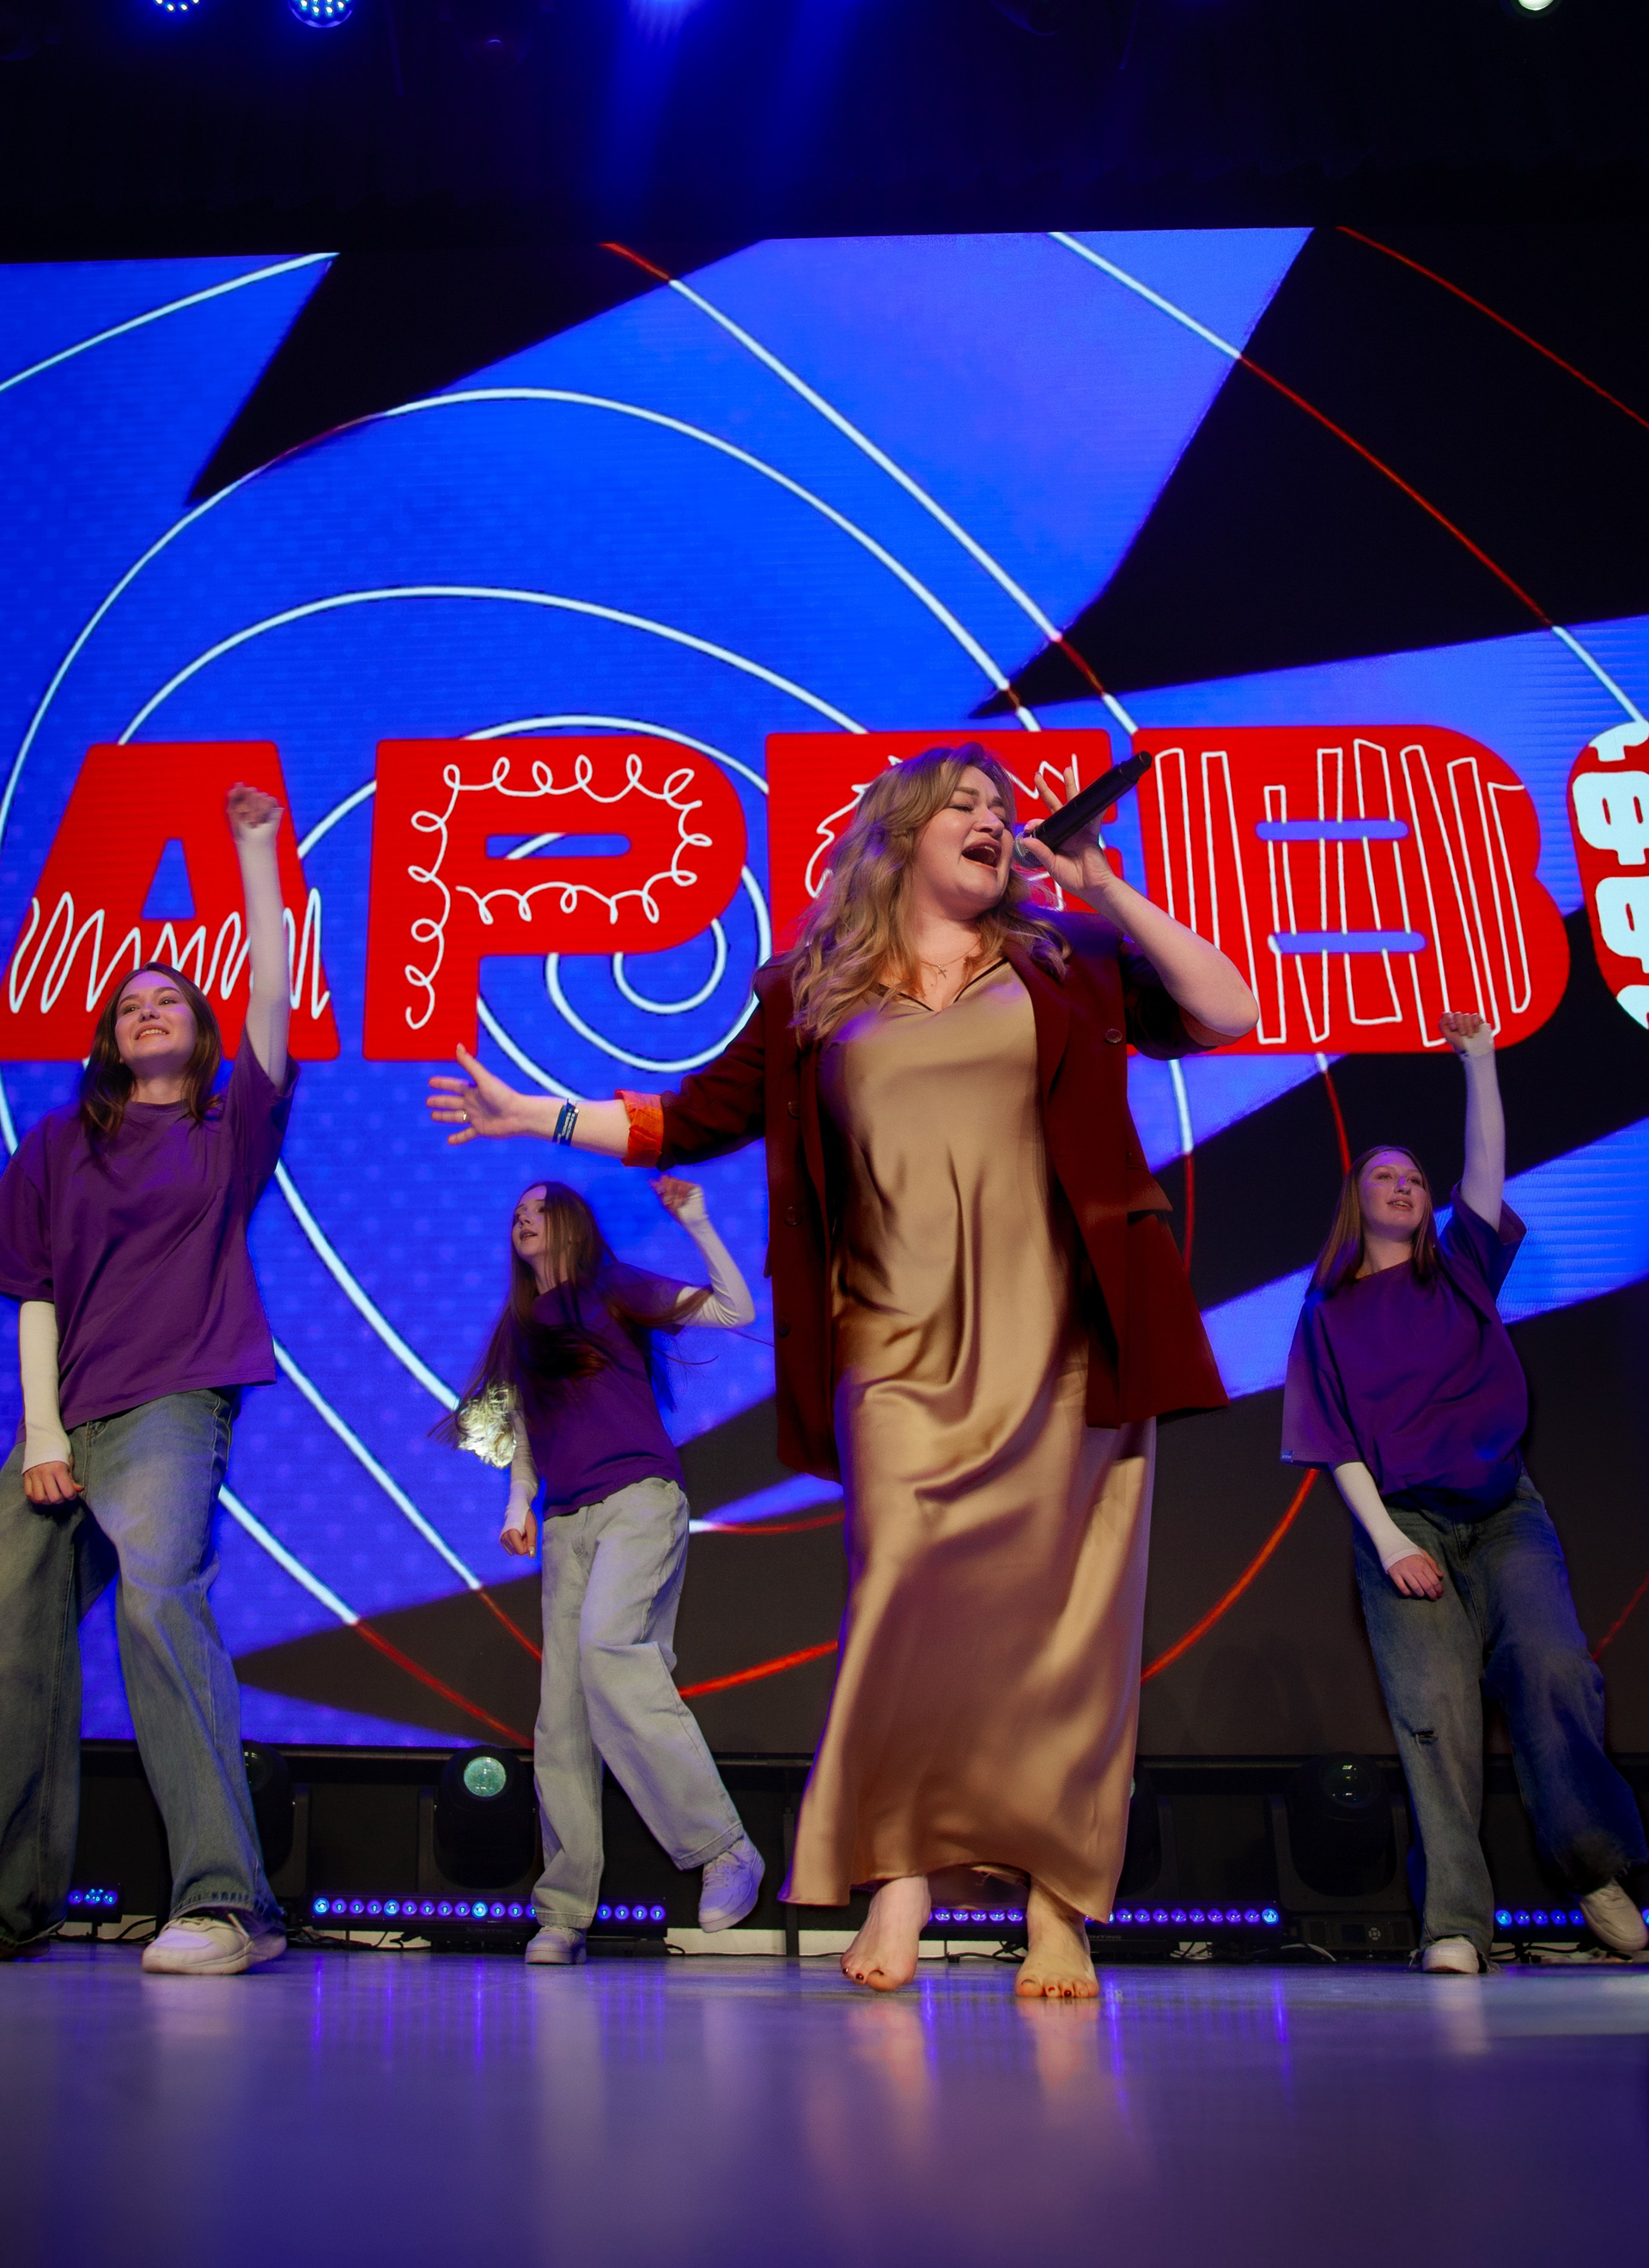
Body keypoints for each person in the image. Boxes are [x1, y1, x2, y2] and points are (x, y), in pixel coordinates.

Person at [429, 743, 1258, 1997]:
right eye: (962, 804)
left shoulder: (1065, 959)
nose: (991, 818)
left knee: (1063, 1621)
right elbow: (687, 1119)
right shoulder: (813, 990)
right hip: (893, 1340)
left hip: (1062, 1335)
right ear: (902, 834)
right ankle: (901, 1871)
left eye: (1002, 808)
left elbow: (1227, 1012)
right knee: (901, 1598)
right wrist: (531, 1114)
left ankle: (1057, 1906)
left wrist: (1103, 887)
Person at [0, 785, 299, 1974]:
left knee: (158, 1602)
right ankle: (15, 1903)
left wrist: (254, 852)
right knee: (12, 1631)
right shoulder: (55, 1145)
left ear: (199, 1032)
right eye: (127, 1003)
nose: (145, 1008)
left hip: (176, 1400)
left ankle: (228, 1903)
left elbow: (271, 990)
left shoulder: (230, 1129)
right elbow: (33, 1291)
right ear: (108, 1041)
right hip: (66, 1420)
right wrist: (41, 1433)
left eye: (167, 997)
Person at [1281, 1010, 1648, 1973]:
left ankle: (1595, 1867)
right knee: (1433, 1714)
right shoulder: (1326, 1314)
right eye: (1385, 1176)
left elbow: (1484, 1164)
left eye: (1414, 1176)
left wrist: (1479, 1060)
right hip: (1404, 1522)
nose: (1405, 1185)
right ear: (1357, 1201)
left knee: (1555, 1669)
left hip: (1505, 1512)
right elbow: (1333, 1444)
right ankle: (1454, 1922)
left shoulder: (1463, 1269)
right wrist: (1391, 1543)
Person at [445, 1173, 767, 1964]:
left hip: (638, 1499)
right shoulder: (522, 1324)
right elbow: (527, 1426)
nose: (523, 1217)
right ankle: (563, 1911)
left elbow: (736, 1309)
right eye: (516, 1211)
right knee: (561, 1716)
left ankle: (724, 1846)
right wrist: (518, 1504)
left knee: (610, 1651)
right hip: (565, 1524)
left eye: (539, 1207)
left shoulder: (611, 1288)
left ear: (572, 1224)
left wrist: (697, 1219)